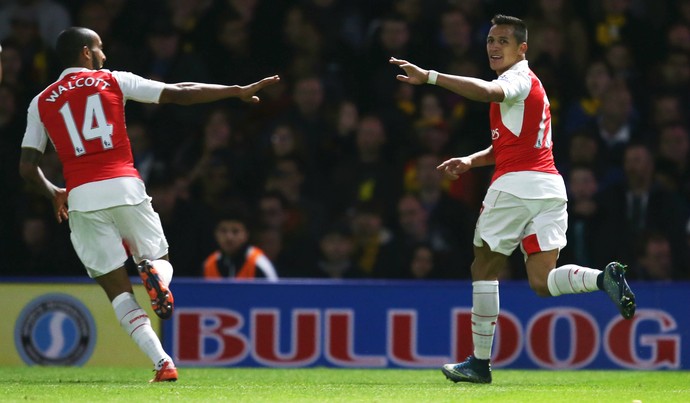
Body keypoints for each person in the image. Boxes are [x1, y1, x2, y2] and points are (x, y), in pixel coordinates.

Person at [18, 27, 279, 383]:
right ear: (85, 52)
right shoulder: (112, 81)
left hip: (81, 195)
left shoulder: (41, 101)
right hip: (124, 185)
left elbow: (27, 166)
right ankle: (155, 275)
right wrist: (234, 91)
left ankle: (162, 363)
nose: (104, 56)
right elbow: (179, 93)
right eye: (99, 48)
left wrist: (53, 192)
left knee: (117, 290)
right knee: (159, 259)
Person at [390, 14, 636, 385]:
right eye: (490, 40)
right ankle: (604, 279)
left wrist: (431, 77)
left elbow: (490, 93)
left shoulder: (517, 78)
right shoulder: (531, 87)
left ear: (522, 48)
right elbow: (510, 144)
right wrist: (472, 160)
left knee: (483, 267)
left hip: (516, 187)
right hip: (550, 188)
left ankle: (479, 363)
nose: (493, 46)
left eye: (502, 41)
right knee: (542, 281)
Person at [203, 210, 279, 281]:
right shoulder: (209, 265)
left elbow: (274, 293)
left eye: (235, 231)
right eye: (223, 231)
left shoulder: (258, 263)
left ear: (246, 234)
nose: (229, 237)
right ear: (215, 234)